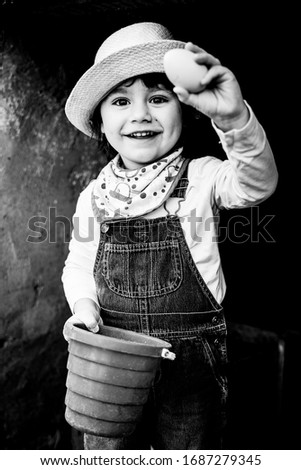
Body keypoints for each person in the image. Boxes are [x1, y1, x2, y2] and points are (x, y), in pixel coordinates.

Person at [62, 22, 278, 450]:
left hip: (190, 369)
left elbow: (257, 183)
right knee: (109, 451)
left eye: (158, 98)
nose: (141, 113)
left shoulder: (202, 177)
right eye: (121, 101)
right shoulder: (95, 196)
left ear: (186, 110)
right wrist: (84, 309)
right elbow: (80, 264)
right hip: (112, 359)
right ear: (100, 122)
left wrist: (233, 118)